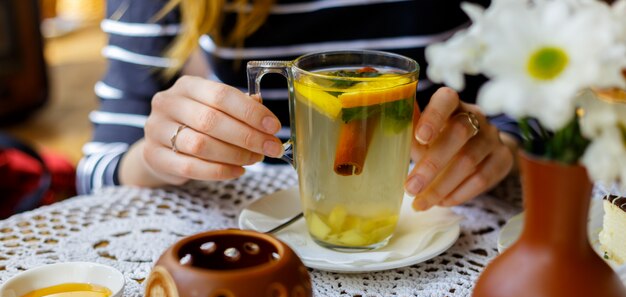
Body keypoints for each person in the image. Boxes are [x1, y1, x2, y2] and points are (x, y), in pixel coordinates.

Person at [78, 0, 518, 212]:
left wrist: (503, 143)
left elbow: (548, 115)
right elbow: (94, 172)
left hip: (430, 223)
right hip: (266, 235)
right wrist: (159, 157)